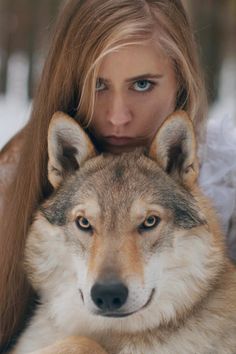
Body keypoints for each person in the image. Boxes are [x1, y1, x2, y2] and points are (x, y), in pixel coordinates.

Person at [0, 0, 233, 351]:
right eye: (98, 85)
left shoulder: (227, 178)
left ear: (181, 82)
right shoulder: (13, 180)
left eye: (142, 84)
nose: (118, 116)